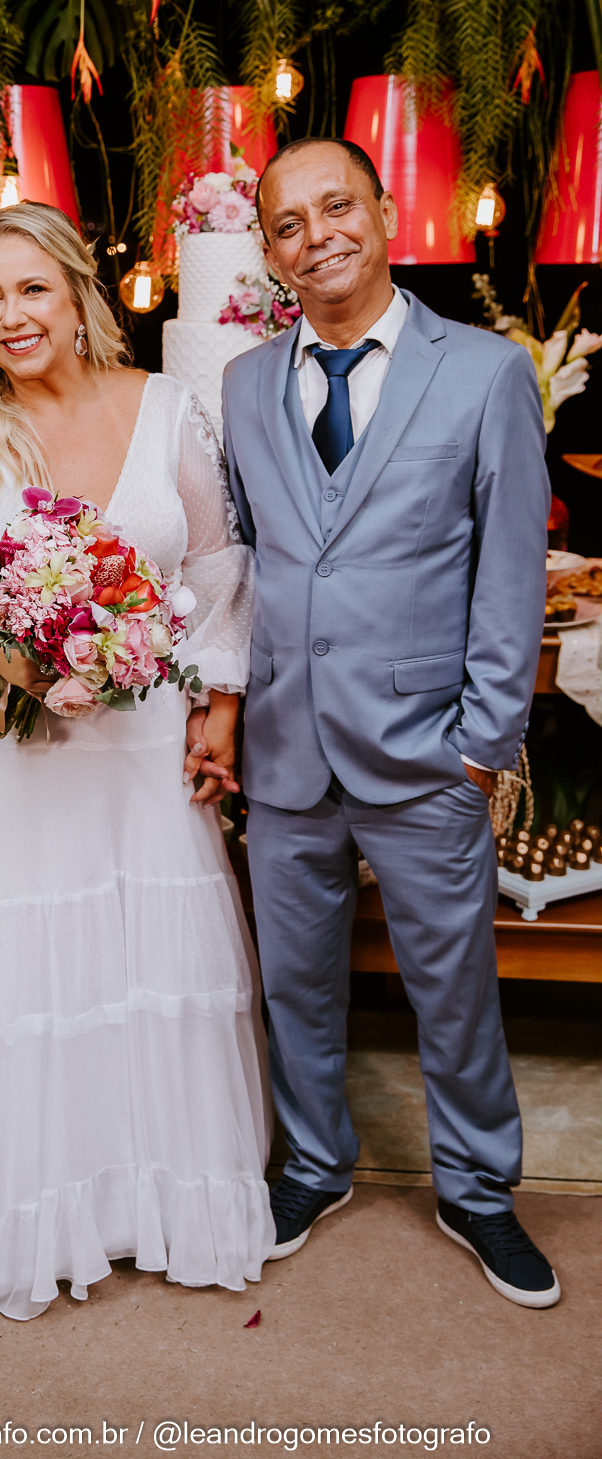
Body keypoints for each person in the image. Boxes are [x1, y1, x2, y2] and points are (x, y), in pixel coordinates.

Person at [0, 200, 274, 1344]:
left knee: (147, 966)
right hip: (12, 750)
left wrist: (216, 703)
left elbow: (217, 562)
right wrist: (7, 651)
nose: (11, 314)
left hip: (143, 744)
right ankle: (22, 1211)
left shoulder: (164, 408)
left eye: (32, 288)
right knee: (14, 978)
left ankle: (139, 1201)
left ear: (78, 294)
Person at [217, 138, 559, 1308]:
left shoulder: (483, 373)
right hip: (284, 746)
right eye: (286, 223)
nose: (315, 235)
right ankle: (312, 1165)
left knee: (451, 988)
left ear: (381, 210)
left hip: (425, 750)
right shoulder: (242, 385)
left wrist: (480, 746)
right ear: (268, 252)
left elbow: (508, 573)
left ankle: (476, 1188)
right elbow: (247, 562)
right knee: (294, 986)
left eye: (335, 206)